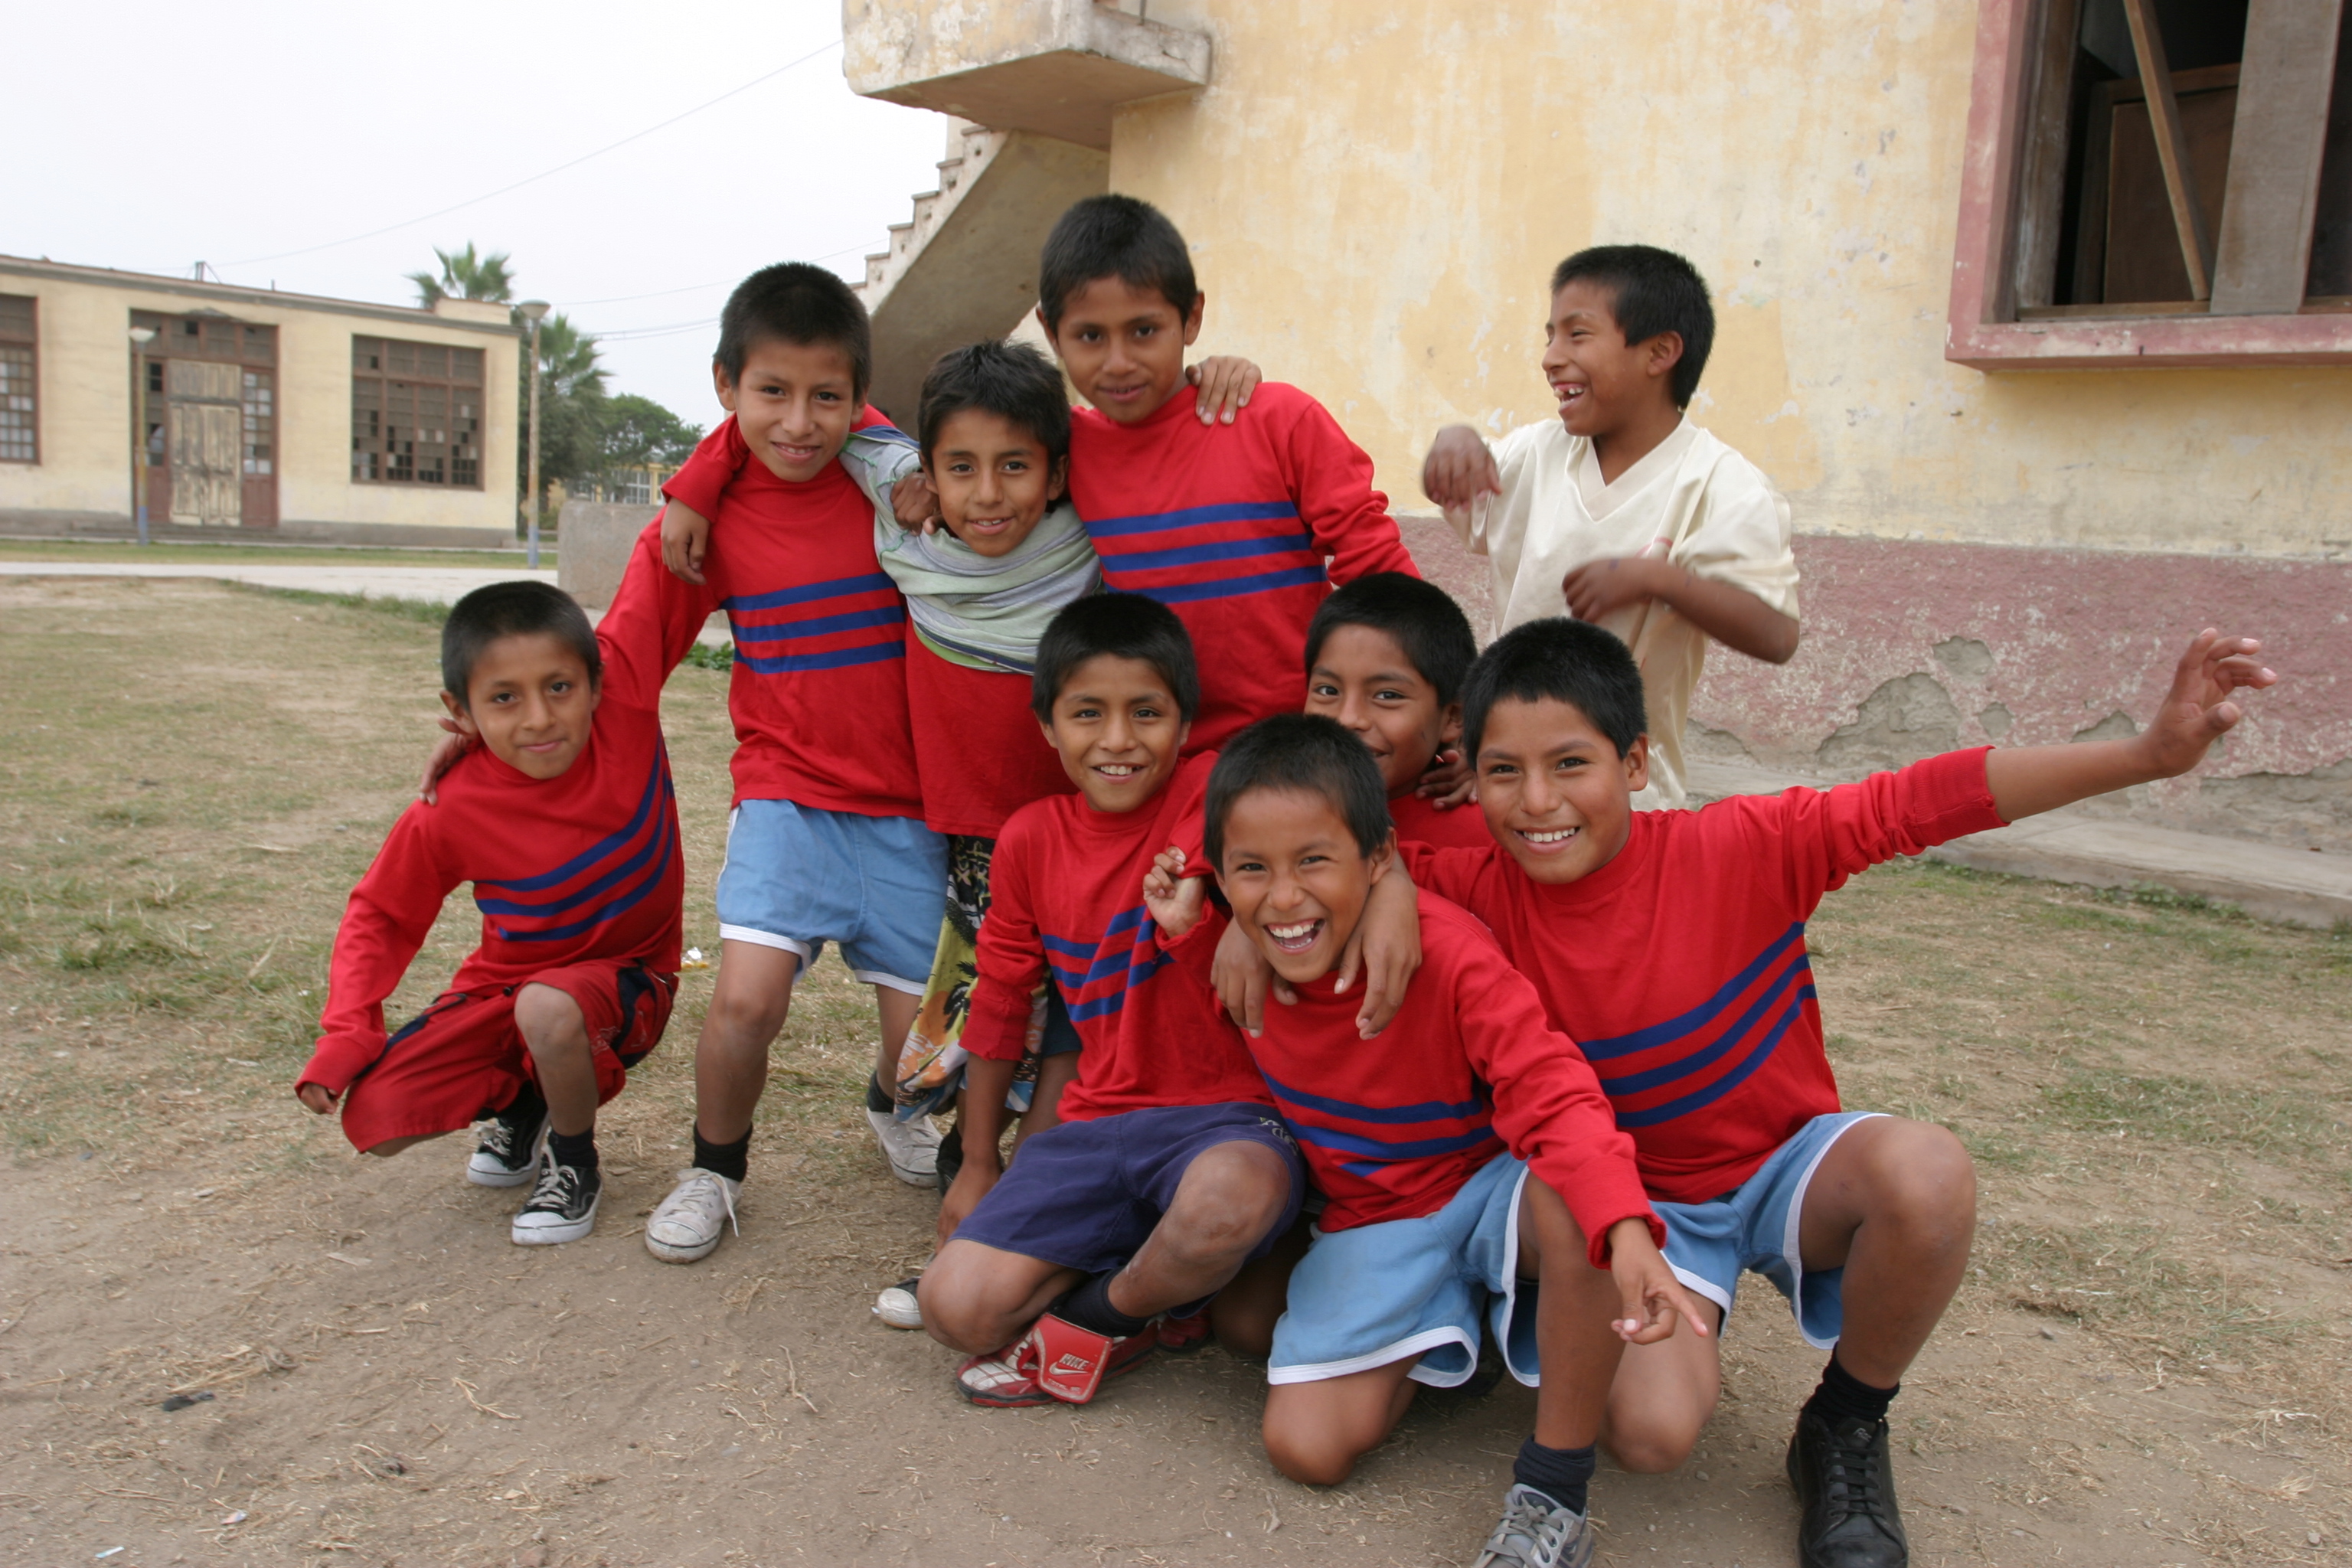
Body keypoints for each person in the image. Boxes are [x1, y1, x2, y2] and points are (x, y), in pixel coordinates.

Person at [1220, 618, 2275, 1568]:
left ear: (1636, 763)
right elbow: (1311, 872)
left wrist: (2147, 754)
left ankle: (1848, 1425)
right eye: (1505, 772)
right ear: (1470, 774)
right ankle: (1556, 1334)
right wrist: (1297, 903)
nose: (1538, 803)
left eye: (1571, 765)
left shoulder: (1743, 848)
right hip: (1639, 1206)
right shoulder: (1468, 891)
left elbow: (1931, 799)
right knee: (1653, 1435)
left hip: (1782, 1168)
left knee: (1927, 1172)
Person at [1148, 714, 1707, 1568]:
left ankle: (1553, 1486)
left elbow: (1549, 1086)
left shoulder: (1443, 948)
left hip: (1486, 1190)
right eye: (1253, 870)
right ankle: (1461, 1330)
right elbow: (1213, 865)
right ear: (1221, 877)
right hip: (1377, 1218)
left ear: (1379, 860)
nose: (1286, 896)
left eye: (1314, 862)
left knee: (1571, 1201)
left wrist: (1625, 1224)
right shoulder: (1237, 952)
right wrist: (1205, 921)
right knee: (1307, 1447)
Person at [917, 594, 1422, 1408]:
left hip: (1229, 1118)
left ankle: (1099, 1316)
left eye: (1146, 712)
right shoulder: (1029, 840)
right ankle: (1161, 1286)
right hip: (1098, 1121)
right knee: (954, 1306)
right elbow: (1005, 1002)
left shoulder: (1210, 786)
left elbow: (1329, 801)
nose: (1118, 740)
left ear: (1187, 724)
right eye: (1088, 713)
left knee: (1226, 1204)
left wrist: (1386, 883)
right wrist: (979, 1162)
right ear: (1047, 725)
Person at [609, 263, 947, 1260]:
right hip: (788, 799)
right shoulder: (705, 520)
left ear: (858, 397)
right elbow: (627, 658)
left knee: (927, 1057)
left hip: (909, 814)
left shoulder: (900, 487)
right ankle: (713, 1170)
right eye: (771, 394)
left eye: (826, 397)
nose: (799, 422)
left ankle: (894, 1108)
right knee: (746, 998)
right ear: (726, 388)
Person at [296, 581, 684, 1247]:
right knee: (381, 1120)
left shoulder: (627, 711)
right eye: (504, 698)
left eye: (559, 687)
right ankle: (526, 1102)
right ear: (460, 710)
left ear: (597, 683)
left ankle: (573, 1160)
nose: (537, 718)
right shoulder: (450, 806)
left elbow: (667, 564)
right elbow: (380, 916)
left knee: (549, 1007)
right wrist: (347, 1033)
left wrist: (705, 484)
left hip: (626, 985)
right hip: (507, 988)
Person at [1037, 194, 1425, 752]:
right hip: (1161, 758)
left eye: (1144, 330)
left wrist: (1449, 702)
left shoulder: (1277, 420)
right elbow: (977, 471)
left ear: (1192, 317)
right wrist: (915, 487)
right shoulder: (1065, 449)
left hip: (1306, 746)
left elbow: (1379, 571)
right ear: (1052, 333)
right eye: (1090, 336)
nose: (1118, 362)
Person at [1421, 244, 1800, 808]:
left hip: (1630, 801)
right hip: (1503, 781)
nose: (1551, 357)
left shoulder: (1721, 486)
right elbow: (1457, 490)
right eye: (1549, 336)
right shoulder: (1535, 454)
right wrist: (1452, 441)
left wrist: (1660, 580)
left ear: (1661, 352)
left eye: (1577, 335)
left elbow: (1776, 636)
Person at [1302, 572, 1491, 850]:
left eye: (1387, 695)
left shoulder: (1493, 835)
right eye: (1328, 691)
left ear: (1454, 717)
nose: (1346, 719)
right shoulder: (1269, 810)